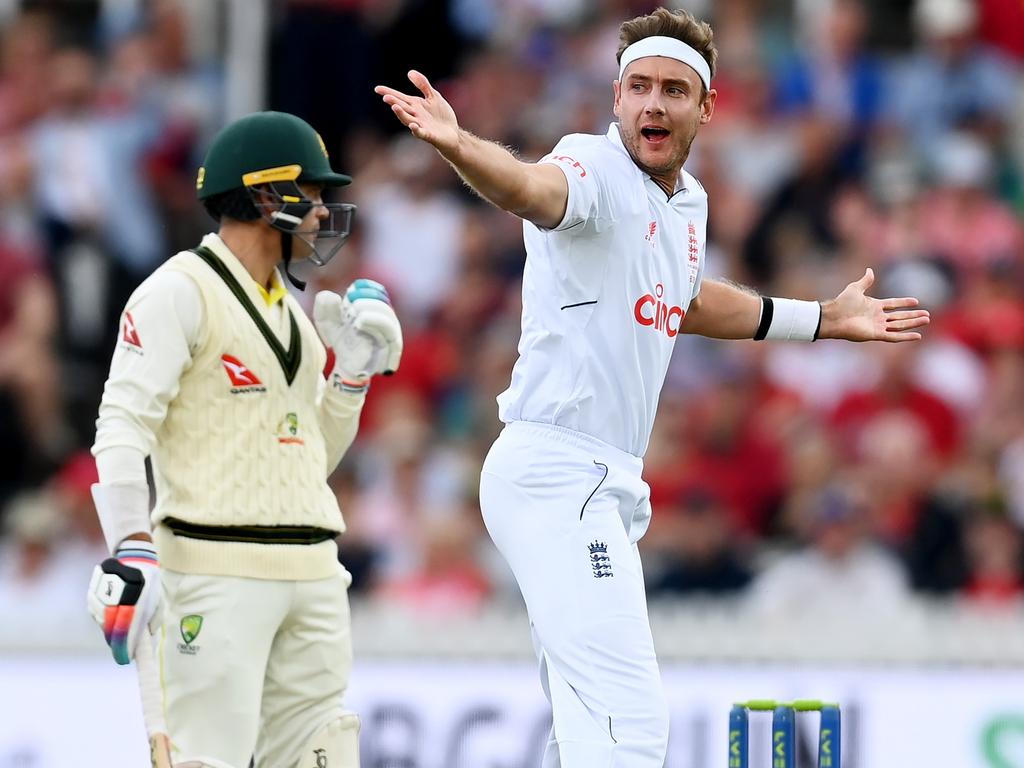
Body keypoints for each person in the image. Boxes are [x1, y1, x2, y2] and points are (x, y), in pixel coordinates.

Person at [376, 7, 929, 767]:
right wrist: (460, 144)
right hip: (557, 469)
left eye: (672, 89)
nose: (651, 104)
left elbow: (690, 300)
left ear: (706, 107)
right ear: (615, 98)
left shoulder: (687, 203)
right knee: (630, 730)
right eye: (637, 87)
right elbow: (530, 191)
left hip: (593, 480)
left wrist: (823, 318)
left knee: (584, 730)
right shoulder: (592, 167)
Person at [85, 111, 402, 768]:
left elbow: (311, 457)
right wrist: (131, 546)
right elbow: (121, 423)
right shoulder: (179, 291)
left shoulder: (291, 311)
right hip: (215, 569)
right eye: (310, 196)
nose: (322, 215)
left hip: (313, 568)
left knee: (324, 752)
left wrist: (351, 377)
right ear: (266, 197)